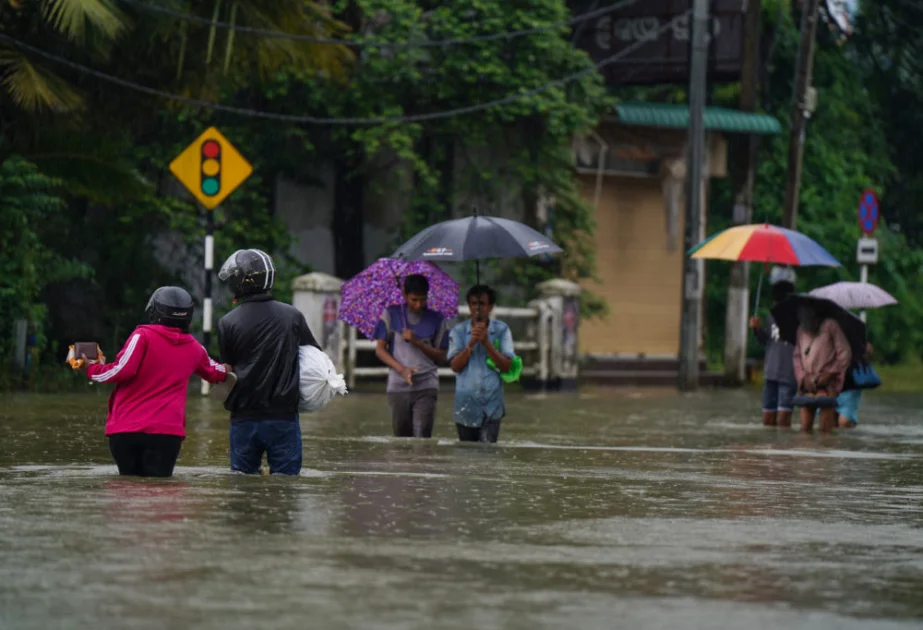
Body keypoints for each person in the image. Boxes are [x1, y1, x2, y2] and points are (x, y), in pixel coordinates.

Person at [79, 286, 230, 477]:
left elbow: (121, 370)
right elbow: (218, 373)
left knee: (128, 494)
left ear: (154, 311)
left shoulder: (142, 336)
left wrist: (90, 369)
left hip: (127, 431)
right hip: (167, 436)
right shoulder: (195, 348)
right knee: (161, 497)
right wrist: (230, 369)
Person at [217, 248, 321, 475]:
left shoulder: (227, 323)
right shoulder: (292, 316)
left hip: (243, 419)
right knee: (286, 488)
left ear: (239, 282)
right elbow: (314, 358)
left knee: (243, 487)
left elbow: (227, 370)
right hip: (283, 419)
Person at [373, 274, 449, 438]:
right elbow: (380, 349)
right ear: (404, 294)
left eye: (423, 299)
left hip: (426, 384)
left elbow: (442, 356)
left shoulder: (437, 319)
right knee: (402, 438)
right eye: (414, 299)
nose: (418, 304)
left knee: (422, 437)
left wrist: (418, 342)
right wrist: (402, 370)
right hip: (398, 385)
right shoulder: (390, 314)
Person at [447, 285, 515, 443]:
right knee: (467, 457)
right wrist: (471, 343)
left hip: (491, 405)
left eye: (482, 304)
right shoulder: (458, 331)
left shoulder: (502, 330)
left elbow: (506, 366)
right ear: (469, 306)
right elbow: (455, 366)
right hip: (466, 405)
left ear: (490, 307)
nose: (477, 308)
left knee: (487, 454)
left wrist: (486, 343)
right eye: (473, 303)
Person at [792, 300, 852, 432]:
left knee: (825, 430)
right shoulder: (801, 329)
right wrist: (803, 378)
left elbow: (844, 353)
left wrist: (830, 373)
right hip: (807, 383)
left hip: (827, 384)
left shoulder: (830, 326)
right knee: (805, 429)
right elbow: (797, 356)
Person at [749, 266, 797, 428]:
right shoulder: (770, 315)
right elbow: (768, 341)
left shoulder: (798, 315)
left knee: (783, 421)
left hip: (789, 374)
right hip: (771, 373)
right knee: (768, 422)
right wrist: (757, 329)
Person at [837, 341, 874, 429]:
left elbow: (869, 349)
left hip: (851, 381)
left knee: (844, 421)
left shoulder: (856, 331)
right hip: (833, 380)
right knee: (832, 420)